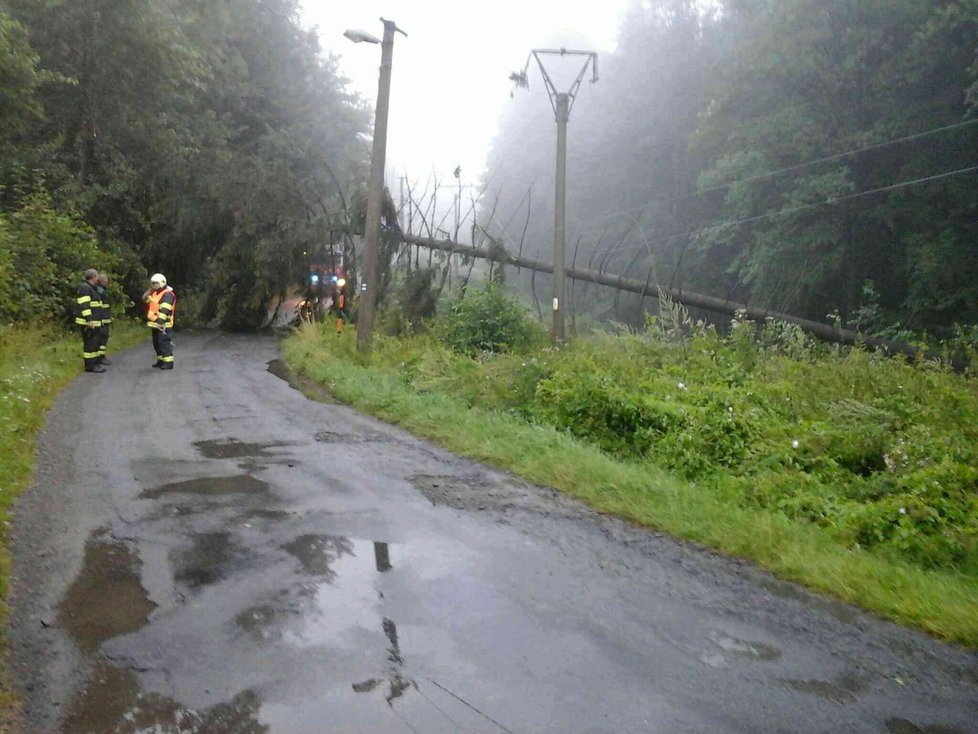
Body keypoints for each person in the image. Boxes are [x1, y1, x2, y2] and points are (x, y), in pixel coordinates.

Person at [142, 273, 176, 369]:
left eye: (155, 283)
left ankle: (168, 362)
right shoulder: (155, 293)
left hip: (164, 324)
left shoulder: (167, 294)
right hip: (155, 324)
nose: (153, 285)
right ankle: (161, 360)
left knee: (164, 343)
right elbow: (145, 300)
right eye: (152, 283)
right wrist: (149, 291)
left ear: (161, 283)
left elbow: (165, 309)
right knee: (157, 343)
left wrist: (160, 321)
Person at [74, 268, 104, 373]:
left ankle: (95, 364)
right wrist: (89, 320)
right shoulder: (85, 288)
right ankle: (90, 366)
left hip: (94, 322)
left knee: (95, 343)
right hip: (88, 323)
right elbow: (85, 306)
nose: (98, 278)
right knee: (90, 344)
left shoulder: (91, 288)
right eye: (97, 276)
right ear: (94, 277)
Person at [95, 273, 112, 366]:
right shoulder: (101, 291)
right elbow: (102, 307)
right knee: (102, 339)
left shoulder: (98, 290)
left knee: (100, 339)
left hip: (102, 319)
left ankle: (100, 357)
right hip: (103, 320)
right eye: (106, 281)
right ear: (103, 281)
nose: (107, 283)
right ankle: (101, 357)